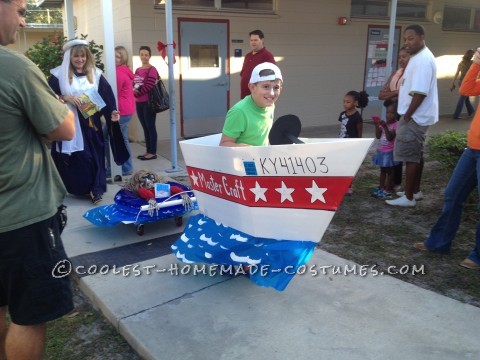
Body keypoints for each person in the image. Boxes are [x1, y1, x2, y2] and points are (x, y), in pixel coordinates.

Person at [0, 1, 76, 359]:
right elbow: (64, 126)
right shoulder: (14, 67)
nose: (22, 19)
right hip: (21, 217)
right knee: (29, 315)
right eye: (19, 9)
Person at [414, 48, 480, 270]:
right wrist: (477, 63)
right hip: (472, 148)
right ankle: (439, 242)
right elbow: (467, 88)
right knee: (453, 194)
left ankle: (478, 255)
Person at [49, 39, 128, 205]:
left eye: (83, 56)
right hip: (69, 124)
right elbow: (47, 97)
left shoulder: (96, 74)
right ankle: (78, 188)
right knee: (77, 157)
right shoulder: (58, 76)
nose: (80, 59)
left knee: (94, 156)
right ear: (70, 57)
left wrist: (112, 112)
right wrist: (65, 98)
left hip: (91, 124)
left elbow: (106, 97)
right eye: (76, 56)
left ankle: (95, 189)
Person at [386, 24, 439, 207]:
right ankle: (414, 191)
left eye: (411, 38)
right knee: (416, 154)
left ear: (422, 37)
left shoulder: (423, 60)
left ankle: (408, 198)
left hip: (415, 117)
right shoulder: (418, 57)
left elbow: (420, 93)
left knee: (409, 156)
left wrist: (407, 116)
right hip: (416, 116)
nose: (407, 43)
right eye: (405, 39)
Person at [220, 62, 283, 147]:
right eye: (266, 86)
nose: (272, 93)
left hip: (261, 158)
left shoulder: (270, 106)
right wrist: (252, 151)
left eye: (276, 88)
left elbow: (263, 137)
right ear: (252, 87)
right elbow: (224, 144)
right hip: (243, 159)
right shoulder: (239, 111)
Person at [379, 47, 411, 192]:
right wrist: (398, 92)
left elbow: (409, 95)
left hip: (404, 115)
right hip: (392, 112)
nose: (401, 59)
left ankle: (396, 181)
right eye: (399, 57)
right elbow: (381, 94)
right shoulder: (395, 74)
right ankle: (386, 182)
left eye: (404, 56)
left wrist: (393, 94)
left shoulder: (413, 75)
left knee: (398, 148)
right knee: (388, 146)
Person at [105, 45, 135, 180]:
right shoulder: (125, 70)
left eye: (118, 56)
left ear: (123, 58)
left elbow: (111, 94)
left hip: (121, 111)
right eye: (114, 56)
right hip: (126, 110)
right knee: (121, 138)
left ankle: (119, 167)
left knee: (106, 137)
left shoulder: (117, 73)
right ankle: (124, 167)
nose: (115, 59)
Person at [133, 45, 159, 160]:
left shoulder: (152, 69)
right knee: (145, 127)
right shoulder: (138, 70)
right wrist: (132, 90)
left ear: (149, 56)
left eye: (146, 55)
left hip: (148, 103)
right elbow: (134, 82)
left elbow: (149, 85)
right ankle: (148, 150)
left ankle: (152, 152)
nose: (144, 57)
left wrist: (136, 93)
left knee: (150, 127)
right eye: (142, 54)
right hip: (138, 102)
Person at [371, 100, 400, 199]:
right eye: (387, 112)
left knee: (390, 171)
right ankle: (381, 187)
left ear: (397, 114)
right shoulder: (384, 123)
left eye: (392, 113)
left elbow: (390, 137)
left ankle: (388, 189)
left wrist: (385, 127)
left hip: (389, 152)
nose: (389, 115)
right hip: (381, 151)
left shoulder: (396, 124)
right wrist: (376, 125)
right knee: (382, 170)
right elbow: (378, 136)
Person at [240, 30, 276, 99]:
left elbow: (271, 77)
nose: (253, 42)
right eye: (251, 40)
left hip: (258, 97)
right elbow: (243, 74)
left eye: (256, 40)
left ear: (262, 40)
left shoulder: (267, 56)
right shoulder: (248, 56)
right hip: (245, 96)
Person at [450, 49, 475, 119]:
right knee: (463, 98)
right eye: (472, 55)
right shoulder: (471, 63)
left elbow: (456, 74)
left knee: (466, 98)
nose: (473, 56)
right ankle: (456, 115)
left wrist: (452, 83)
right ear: (470, 56)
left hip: (461, 82)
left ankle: (471, 112)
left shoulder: (461, 63)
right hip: (467, 83)